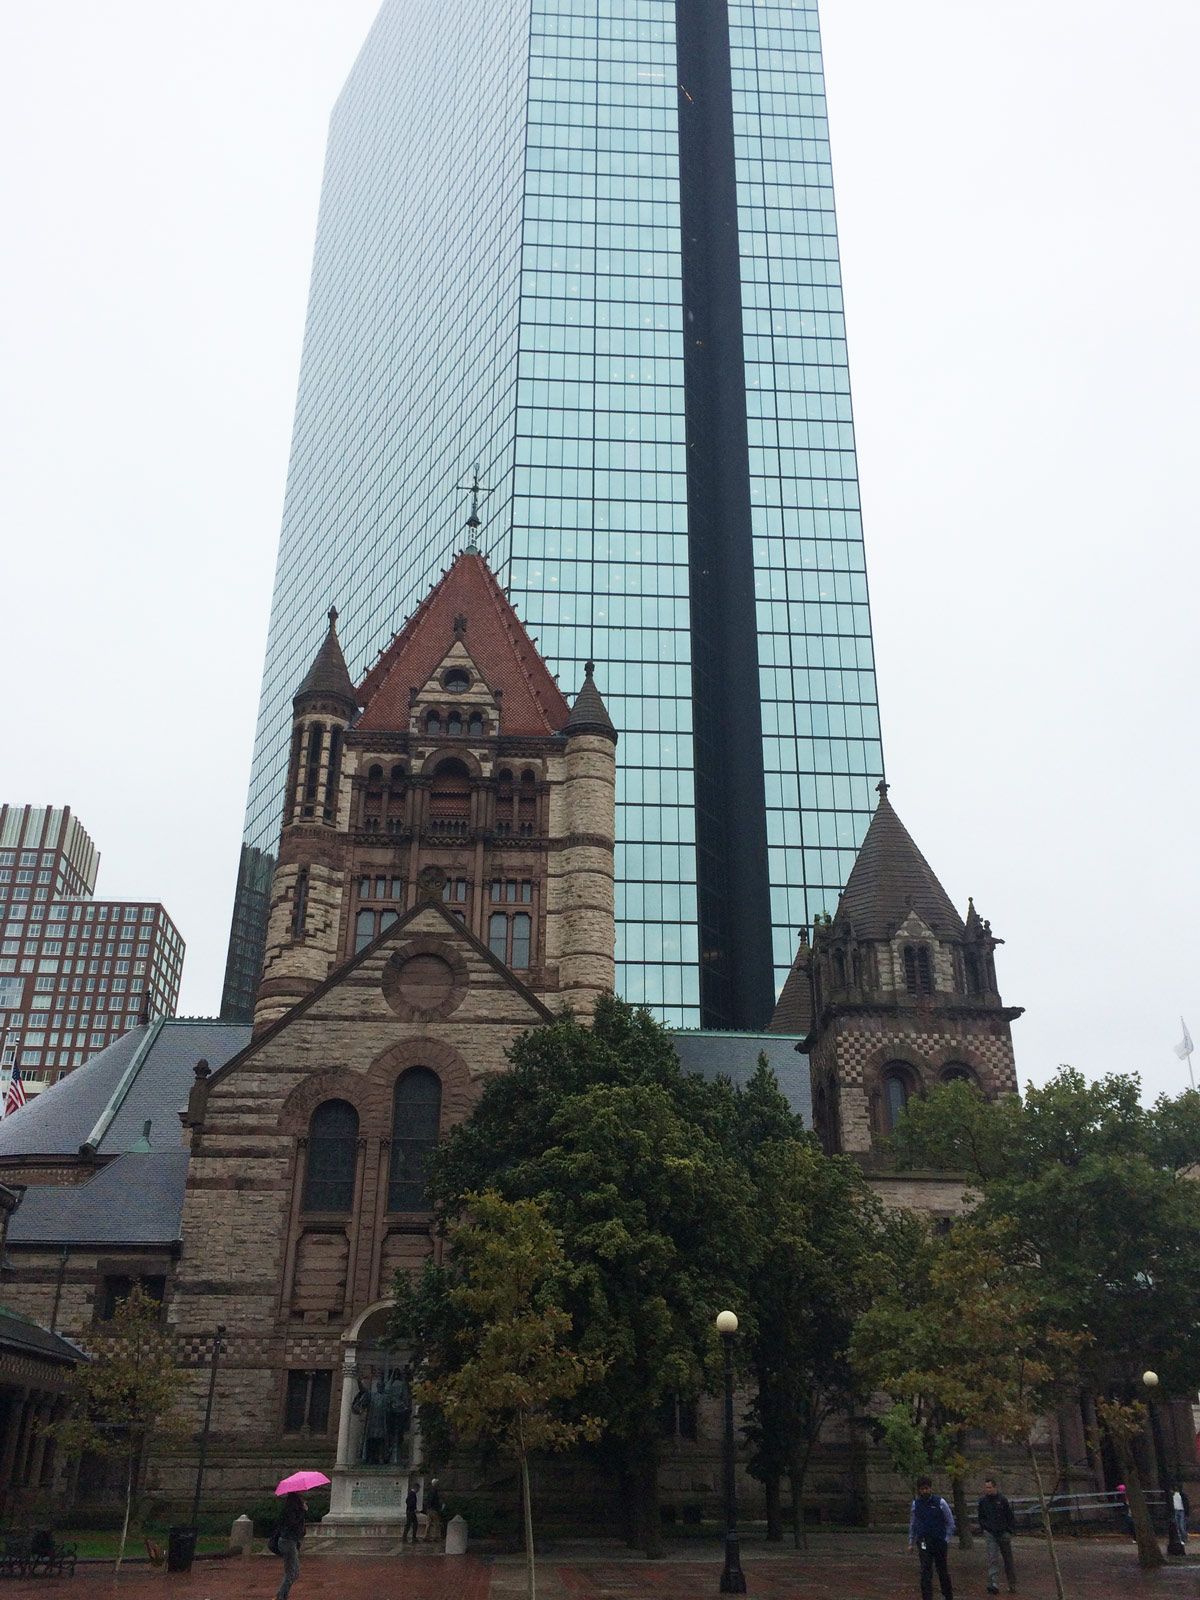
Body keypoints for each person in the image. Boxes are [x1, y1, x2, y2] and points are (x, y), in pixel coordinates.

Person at [909, 1476, 955, 1600]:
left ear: (930, 1488)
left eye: (927, 1488)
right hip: (923, 1541)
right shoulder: (916, 1504)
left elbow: (950, 1522)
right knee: (925, 1570)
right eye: (922, 1489)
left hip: (939, 1540)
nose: (925, 1491)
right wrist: (911, 1542)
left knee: (942, 1570)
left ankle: (947, 1595)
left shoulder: (940, 1502)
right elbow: (913, 1524)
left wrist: (946, 1538)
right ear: (919, 1490)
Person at [977, 1476, 1017, 1594]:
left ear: (995, 1487)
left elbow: (1010, 1516)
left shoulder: (1002, 1500)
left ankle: (1012, 1584)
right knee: (992, 1558)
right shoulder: (983, 1501)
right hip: (990, 1532)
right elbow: (981, 1516)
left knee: (1008, 1559)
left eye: (990, 1487)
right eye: (986, 1488)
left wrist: (1009, 1530)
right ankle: (993, 1583)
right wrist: (985, 1528)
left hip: (1003, 1532)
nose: (988, 1490)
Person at [274, 1492, 306, 1600]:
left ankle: (283, 1595)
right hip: (287, 1541)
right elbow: (293, 1524)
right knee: (291, 1572)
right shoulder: (290, 1510)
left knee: (294, 1572)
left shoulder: (292, 1509)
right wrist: (303, 1511)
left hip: (290, 1541)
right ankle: (280, 1596)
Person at [423, 1476, 444, 1543]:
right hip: (433, 1509)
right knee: (436, 1523)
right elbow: (434, 1500)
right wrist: (438, 1507)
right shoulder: (434, 1491)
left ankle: (426, 1536)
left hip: (429, 1509)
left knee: (428, 1524)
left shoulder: (430, 1490)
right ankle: (435, 1537)